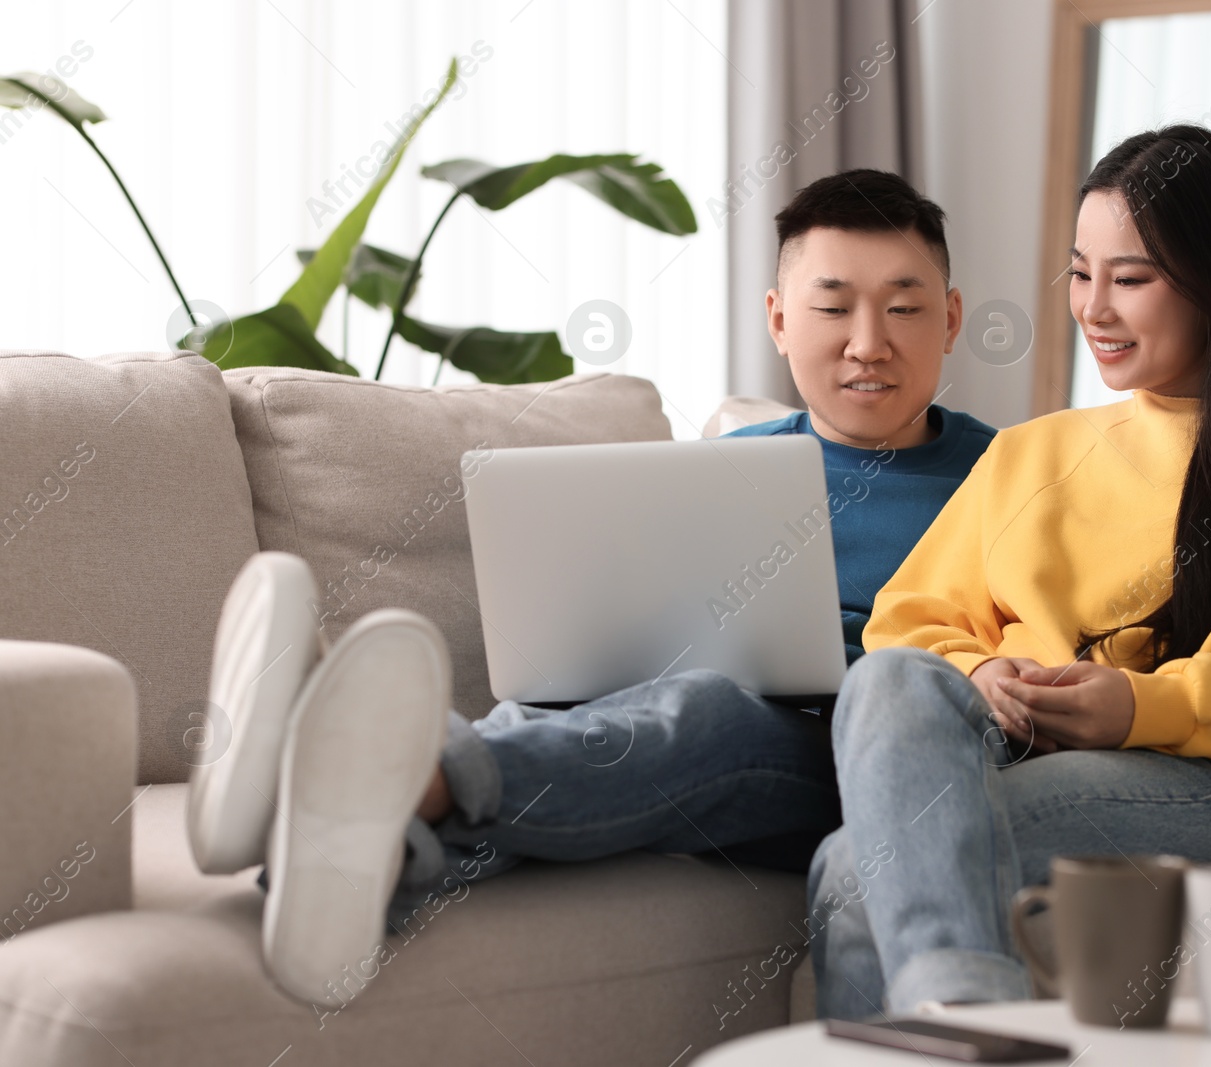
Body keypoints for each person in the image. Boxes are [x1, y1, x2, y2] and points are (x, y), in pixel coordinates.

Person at [185, 168, 996, 1007]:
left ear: (952, 320)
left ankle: (371, 768)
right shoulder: (722, 469)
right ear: (780, 321)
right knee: (578, 717)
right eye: (833, 308)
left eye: (903, 308)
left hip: (871, 759)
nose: (869, 341)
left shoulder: (1013, 475)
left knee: (700, 714)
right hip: (703, 717)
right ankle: (337, 849)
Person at [807, 125, 1211, 1020]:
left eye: (1130, 279)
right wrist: (986, 673)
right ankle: (971, 1019)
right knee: (889, 682)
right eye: (1080, 274)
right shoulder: (1029, 450)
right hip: (1006, 743)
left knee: (853, 869)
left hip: (1206, 776)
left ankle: (970, 1027)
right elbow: (906, 623)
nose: (1093, 308)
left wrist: (1137, 705)